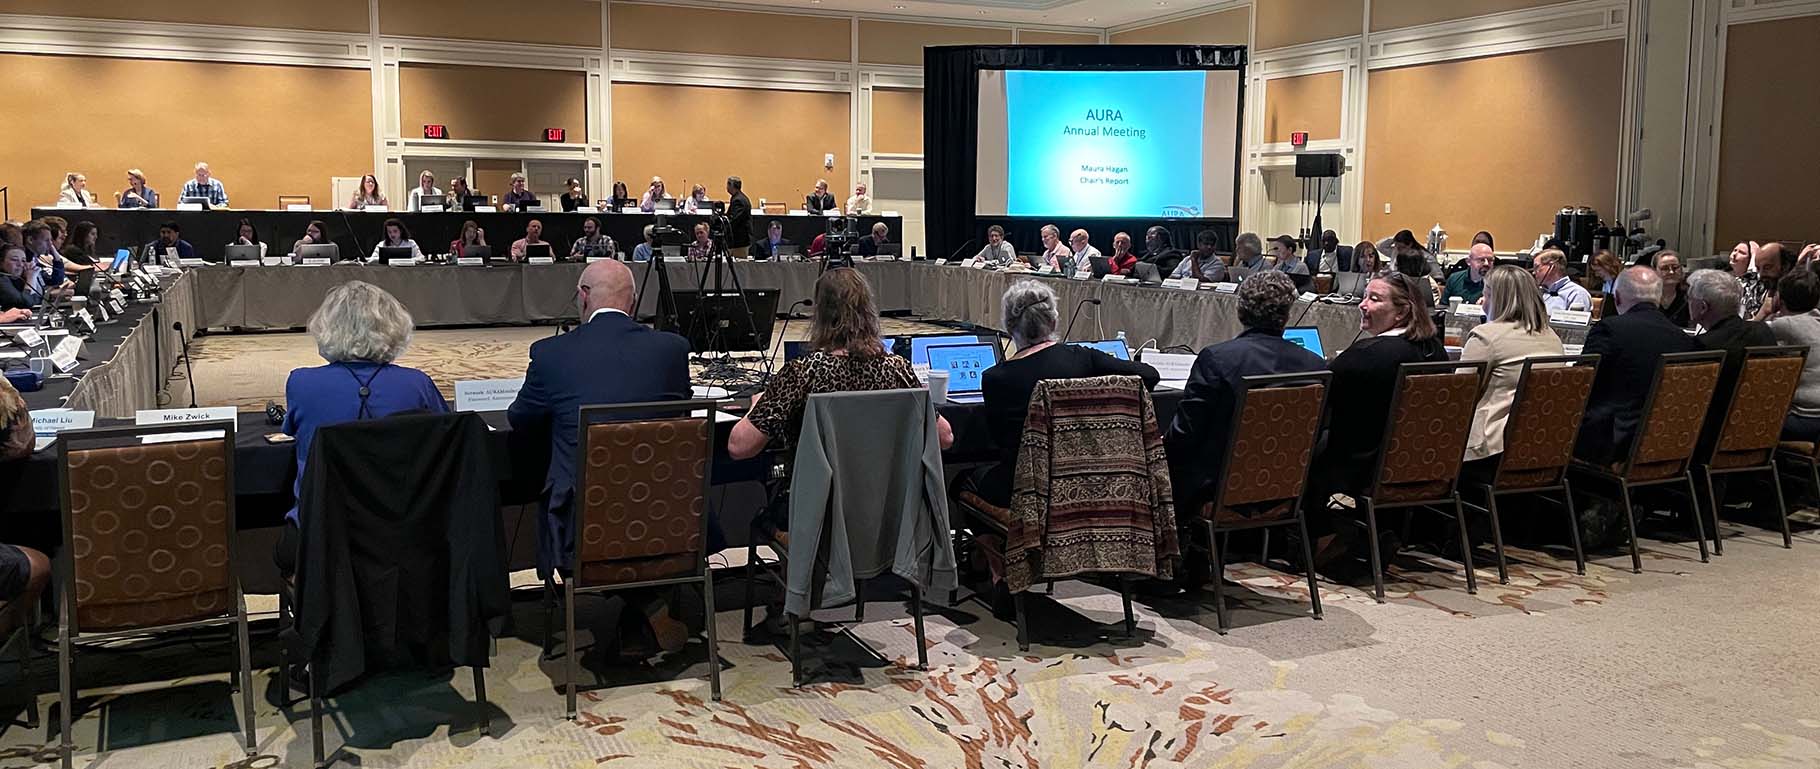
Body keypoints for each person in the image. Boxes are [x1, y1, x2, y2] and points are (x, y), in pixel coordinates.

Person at [507, 259, 692, 656]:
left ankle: (641, 610)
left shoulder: (551, 353)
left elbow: (519, 420)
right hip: (665, 515)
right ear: (634, 301)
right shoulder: (672, 349)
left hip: (585, 525)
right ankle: (647, 607)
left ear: (583, 296)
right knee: (637, 500)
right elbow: (680, 416)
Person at [276, 281, 447, 576]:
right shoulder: (418, 384)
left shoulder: (301, 383)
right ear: (392, 326)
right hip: (403, 531)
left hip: (321, 536)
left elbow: (293, 432)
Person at [730, 267, 952, 466]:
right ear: (869, 312)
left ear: (819, 314)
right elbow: (944, 437)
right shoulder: (898, 369)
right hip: (887, 508)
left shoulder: (801, 374)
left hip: (816, 507)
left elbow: (739, 447)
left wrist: (756, 405)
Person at [969, 280, 1159, 508]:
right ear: (1053, 321)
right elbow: (1149, 375)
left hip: (1027, 490)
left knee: (962, 481)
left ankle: (998, 542)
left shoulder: (995, 378)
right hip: (1096, 484)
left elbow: (997, 441)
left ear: (1009, 326)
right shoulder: (1085, 358)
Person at [1308, 271, 1449, 575]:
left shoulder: (1369, 354)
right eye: (1364, 296)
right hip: (1419, 461)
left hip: (1362, 463)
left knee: (1301, 447)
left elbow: (1321, 390)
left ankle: (1314, 540)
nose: (1362, 305)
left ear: (1402, 311)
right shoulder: (1434, 349)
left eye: (1374, 299)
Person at [1165, 271, 1325, 513]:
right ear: (1286, 314)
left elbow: (1185, 434)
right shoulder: (1315, 364)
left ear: (1240, 311)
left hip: (1217, 486)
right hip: (1291, 483)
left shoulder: (1217, 359)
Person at [1574, 266, 1702, 466]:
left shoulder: (1609, 329)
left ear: (1616, 298)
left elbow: (1580, 383)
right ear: (1658, 299)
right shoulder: (1684, 339)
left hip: (1611, 444)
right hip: (1667, 442)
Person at [1459, 265, 1564, 469]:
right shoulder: (1553, 338)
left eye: (1485, 296)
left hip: (1489, 450)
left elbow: (1460, 395)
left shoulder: (1485, 337)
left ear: (1496, 299)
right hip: (1540, 445)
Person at [1689, 268, 1777, 458]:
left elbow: (1690, 404)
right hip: (1761, 434)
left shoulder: (1704, 346)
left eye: (1690, 299)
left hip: (1709, 443)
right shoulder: (1764, 332)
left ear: (1703, 307)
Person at [1770, 267, 1820, 441]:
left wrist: (1765, 312)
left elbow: (1746, 333)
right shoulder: (1817, 320)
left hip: (1803, 419)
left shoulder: (1784, 325)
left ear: (1778, 299)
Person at [1748, 242, 1794, 321]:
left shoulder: (1797, 294)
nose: (1761, 274)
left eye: (1767, 268)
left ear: (1785, 266)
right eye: (1758, 268)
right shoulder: (1768, 287)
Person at [1, 245, 40, 317]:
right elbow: (24, 304)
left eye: (23, 260)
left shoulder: (20, 279)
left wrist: (33, 277)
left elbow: (37, 299)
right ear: (1, 262)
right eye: (14, 260)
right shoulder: (1, 279)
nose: (20, 264)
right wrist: (31, 279)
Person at [1654, 250, 1690, 327]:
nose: (1671, 272)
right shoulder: (1645, 297)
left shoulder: (1690, 297)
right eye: (1665, 268)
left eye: (1675, 267)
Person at [725, 176, 753, 259]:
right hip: (739, 241)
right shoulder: (739, 197)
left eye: (728, 184)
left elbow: (735, 220)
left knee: (738, 267)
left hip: (739, 242)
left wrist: (725, 226)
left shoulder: (738, 200)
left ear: (732, 185)